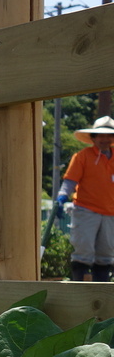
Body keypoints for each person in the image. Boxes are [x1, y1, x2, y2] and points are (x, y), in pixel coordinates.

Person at [57, 115, 114, 281]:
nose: (104, 139)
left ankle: (100, 291)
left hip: (110, 212)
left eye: (109, 135)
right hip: (86, 209)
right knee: (83, 250)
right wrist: (61, 196)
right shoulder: (83, 156)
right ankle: (79, 287)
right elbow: (70, 181)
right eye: (101, 135)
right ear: (93, 138)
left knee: (106, 253)